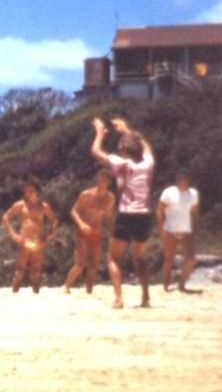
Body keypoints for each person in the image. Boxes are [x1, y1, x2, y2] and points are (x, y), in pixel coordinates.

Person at [90, 117, 155, 309]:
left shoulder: (121, 164)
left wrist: (100, 133)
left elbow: (95, 152)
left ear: (124, 151)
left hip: (126, 214)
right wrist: (127, 130)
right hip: (144, 215)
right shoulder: (147, 164)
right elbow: (146, 147)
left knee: (113, 258)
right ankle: (145, 298)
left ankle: (119, 299)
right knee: (139, 257)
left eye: (120, 147)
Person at [2, 179, 59, 294]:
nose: (28, 193)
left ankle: (36, 294)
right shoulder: (20, 205)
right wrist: (13, 234)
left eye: (31, 190)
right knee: (20, 269)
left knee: (36, 269)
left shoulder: (43, 206)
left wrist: (50, 235)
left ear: (36, 191)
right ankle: (14, 293)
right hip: (24, 240)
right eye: (27, 191)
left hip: (38, 240)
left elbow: (54, 221)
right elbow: (5, 217)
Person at [64, 170, 115, 294]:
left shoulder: (110, 198)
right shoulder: (86, 194)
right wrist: (81, 224)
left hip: (96, 232)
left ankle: (89, 291)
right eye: (100, 179)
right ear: (97, 179)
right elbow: (73, 211)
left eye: (105, 180)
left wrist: (112, 232)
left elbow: (108, 217)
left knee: (94, 264)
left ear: (109, 182)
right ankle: (66, 287)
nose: (102, 182)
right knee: (80, 264)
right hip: (83, 231)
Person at [157, 170, 200, 293]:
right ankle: (165, 285)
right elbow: (160, 210)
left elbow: (195, 212)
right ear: (177, 180)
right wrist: (161, 229)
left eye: (185, 179)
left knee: (191, 259)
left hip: (187, 230)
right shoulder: (168, 192)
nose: (183, 181)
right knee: (169, 259)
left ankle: (182, 283)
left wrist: (195, 228)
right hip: (170, 229)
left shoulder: (193, 193)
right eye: (180, 179)